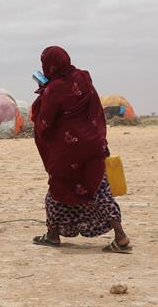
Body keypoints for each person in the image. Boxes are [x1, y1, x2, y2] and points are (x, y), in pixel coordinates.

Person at [31, 46, 131, 253]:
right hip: (93, 144)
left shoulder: (54, 89)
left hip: (68, 150)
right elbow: (94, 107)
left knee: (58, 188)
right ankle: (120, 235)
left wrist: (43, 94)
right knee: (98, 189)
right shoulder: (83, 78)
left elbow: (45, 122)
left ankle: (52, 235)